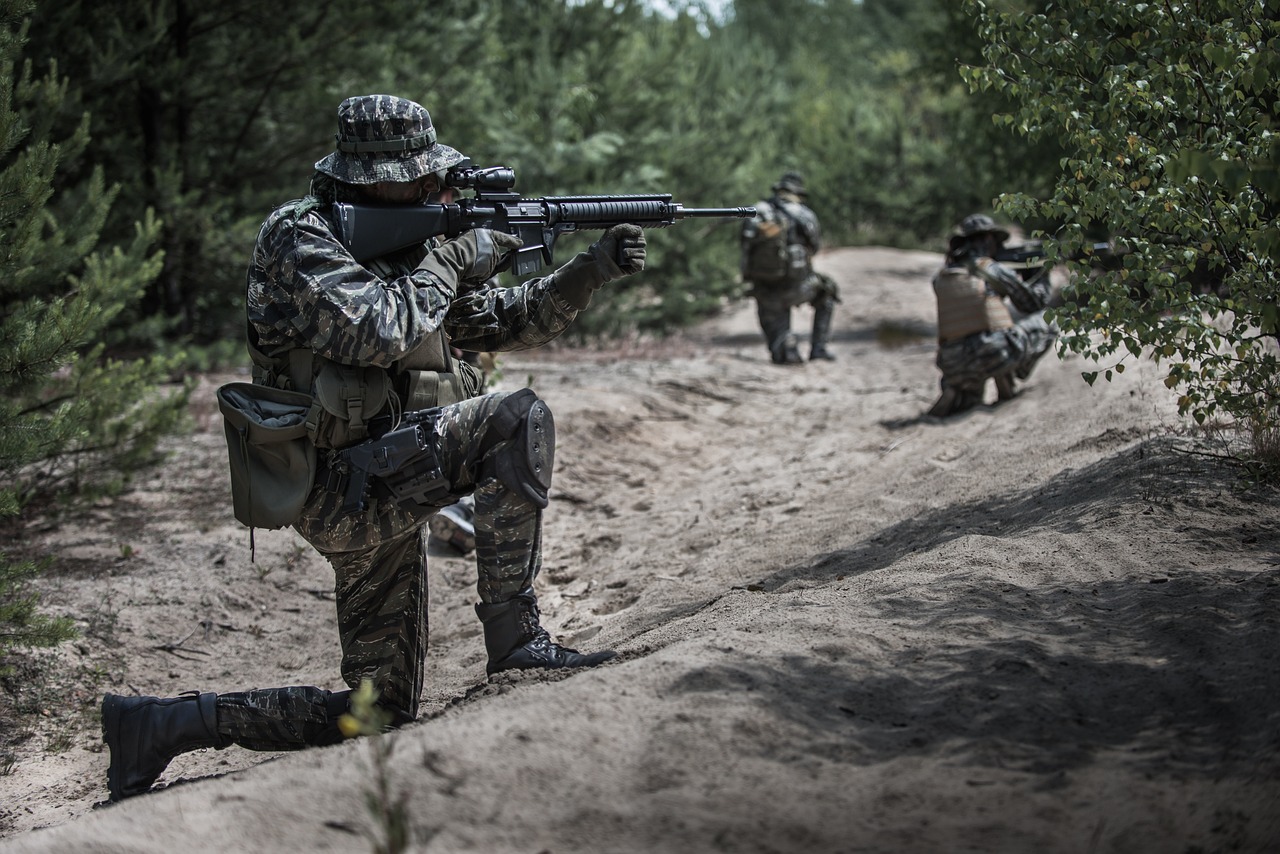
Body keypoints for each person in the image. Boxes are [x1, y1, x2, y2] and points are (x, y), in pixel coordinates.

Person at [100, 94, 646, 801]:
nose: (433, 190)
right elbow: (379, 330)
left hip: (387, 469)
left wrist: (589, 270)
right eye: (418, 180)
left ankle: (168, 725)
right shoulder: (300, 239)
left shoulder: (411, 244)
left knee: (377, 712)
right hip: (334, 485)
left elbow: (496, 323)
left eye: (434, 181)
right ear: (367, 178)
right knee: (518, 416)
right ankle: (515, 642)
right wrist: (451, 254)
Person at [927, 213, 1057, 417]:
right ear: (988, 239)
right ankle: (1010, 373)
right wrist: (1041, 274)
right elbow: (1033, 303)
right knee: (1049, 321)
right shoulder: (991, 269)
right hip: (994, 354)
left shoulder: (941, 277)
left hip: (953, 363)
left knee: (972, 383)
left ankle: (961, 390)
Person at [739, 171, 840, 364]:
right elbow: (814, 247)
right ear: (798, 193)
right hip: (798, 285)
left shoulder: (757, 211)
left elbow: (745, 247)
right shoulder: (805, 214)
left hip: (765, 286)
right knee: (828, 291)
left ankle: (784, 346)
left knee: (771, 311)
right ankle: (818, 348)